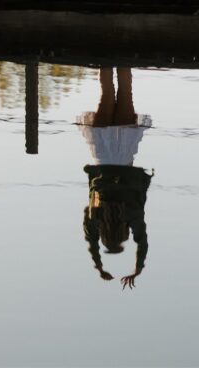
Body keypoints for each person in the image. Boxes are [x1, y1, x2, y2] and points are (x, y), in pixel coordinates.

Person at [77, 67, 154, 289]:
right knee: (107, 92)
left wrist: (138, 268)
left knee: (126, 91)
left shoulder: (131, 215)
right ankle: (105, 54)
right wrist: (98, 266)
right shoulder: (95, 216)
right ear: (103, 233)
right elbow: (90, 240)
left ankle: (125, 55)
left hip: (124, 150)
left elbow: (143, 241)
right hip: (101, 153)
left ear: (123, 234)